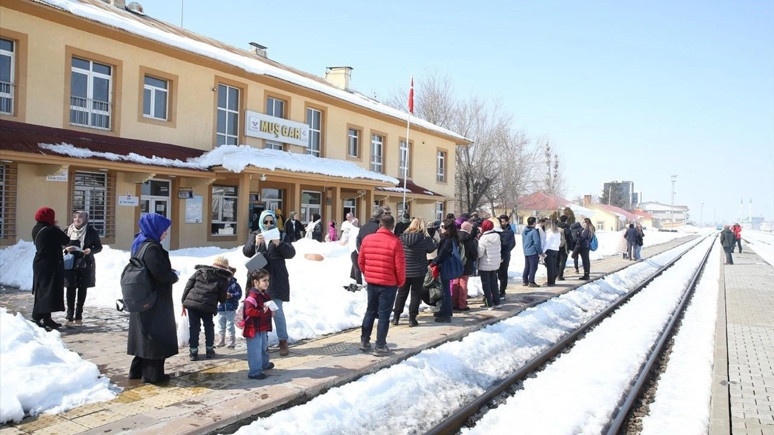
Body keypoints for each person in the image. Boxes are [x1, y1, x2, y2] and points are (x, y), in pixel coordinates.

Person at [127, 213, 179, 384]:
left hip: (143, 297)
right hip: (154, 300)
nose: (165, 233)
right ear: (155, 229)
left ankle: (137, 371)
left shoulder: (140, 243)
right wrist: (173, 276)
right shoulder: (152, 248)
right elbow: (160, 274)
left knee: (143, 335)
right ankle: (152, 375)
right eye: (163, 230)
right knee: (154, 337)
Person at [242, 210, 296, 356]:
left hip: (276, 278)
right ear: (261, 222)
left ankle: (283, 341)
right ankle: (262, 342)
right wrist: (255, 243)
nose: (268, 225)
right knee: (259, 310)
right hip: (258, 279)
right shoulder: (255, 234)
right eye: (265, 222)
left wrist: (279, 244)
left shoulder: (281, 234)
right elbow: (246, 252)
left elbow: (291, 253)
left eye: (271, 222)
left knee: (276, 310)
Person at [358, 214, 405, 355]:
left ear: (379, 224)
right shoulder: (395, 242)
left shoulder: (367, 239)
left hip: (372, 281)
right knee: (384, 315)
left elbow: (361, 261)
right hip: (388, 283)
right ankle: (380, 346)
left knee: (370, 311)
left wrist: (368, 273)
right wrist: (400, 281)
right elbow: (400, 266)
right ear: (392, 226)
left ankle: (364, 341)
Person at [181, 256, 231, 360]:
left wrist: (183, 301)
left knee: (194, 327)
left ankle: (193, 352)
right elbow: (222, 298)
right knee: (208, 327)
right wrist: (224, 298)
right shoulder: (223, 279)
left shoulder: (199, 272)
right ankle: (209, 350)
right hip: (208, 306)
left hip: (192, 304)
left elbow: (188, 286)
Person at [393, 218, 436, 326]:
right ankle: (412, 319)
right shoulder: (424, 239)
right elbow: (431, 249)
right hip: (418, 271)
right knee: (416, 295)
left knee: (401, 294)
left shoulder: (401, 238)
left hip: (404, 270)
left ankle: (396, 317)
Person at [31, 207, 69, 330]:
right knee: (47, 291)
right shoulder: (50, 229)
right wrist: (56, 227)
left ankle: (46, 318)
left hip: (40, 263)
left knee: (42, 289)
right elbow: (65, 239)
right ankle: (37, 316)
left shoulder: (36, 228)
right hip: (50, 264)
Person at [63, 210, 102, 326]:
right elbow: (61, 245)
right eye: (75, 217)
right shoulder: (67, 231)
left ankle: (79, 314)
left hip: (85, 262)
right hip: (70, 263)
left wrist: (90, 250)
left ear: (85, 219)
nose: (78, 219)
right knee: (70, 288)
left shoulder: (91, 231)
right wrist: (66, 250)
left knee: (82, 288)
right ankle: (69, 315)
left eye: (81, 217)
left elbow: (99, 247)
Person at [243, 268, 275, 380]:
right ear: (256, 282)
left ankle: (264, 364)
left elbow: (266, 307)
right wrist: (263, 313)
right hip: (253, 328)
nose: (267, 283)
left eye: (268, 280)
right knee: (255, 350)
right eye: (264, 280)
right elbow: (248, 311)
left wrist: (270, 311)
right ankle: (255, 371)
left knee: (263, 347)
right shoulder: (252, 297)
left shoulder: (263, 295)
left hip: (261, 327)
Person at [430, 219, 460, 322]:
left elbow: (442, 254)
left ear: (448, 229)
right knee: (444, 289)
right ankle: (445, 310)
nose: (441, 228)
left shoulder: (448, 240)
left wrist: (434, 262)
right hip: (446, 266)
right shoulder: (452, 238)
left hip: (446, 266)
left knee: (445, 290)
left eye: (443, 227)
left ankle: (446, 314)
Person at [453, 221, 478, 311]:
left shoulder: (455, 236)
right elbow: (474, 253)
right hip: (466, 264)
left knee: (456, 283)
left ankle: (454, 302)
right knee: (463, 284)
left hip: (455, 263)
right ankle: (462, 304)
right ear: (468, 229)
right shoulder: (469, 238)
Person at [477, 218, 502, 308]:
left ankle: (488, 303)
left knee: (486, 284)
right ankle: (497, 301)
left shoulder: (483, 238)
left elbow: (479, 253)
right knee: (494, 283)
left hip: (485, 264)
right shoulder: (497, 236)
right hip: (495, 263)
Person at [216, 270, 242, 349]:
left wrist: (231, 295)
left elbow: (239, 294)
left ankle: (231, 342)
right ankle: (221, 340)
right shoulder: (219, 283)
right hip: (221, 308)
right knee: (221, 324)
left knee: (230, 325)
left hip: (231, 308)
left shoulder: (235, 285)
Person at [497, 214, 515, 298]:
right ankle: (495, 291)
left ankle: (502, 291)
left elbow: (512, 243)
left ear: (507, 222)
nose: (502, 223)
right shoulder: (496, 230)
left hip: (505, 255)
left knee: (503, 274)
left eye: (503, 221)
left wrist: (504, 254)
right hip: (496, 254)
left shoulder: (509, 231)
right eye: (500, 221)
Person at [521, 216, 542, 288]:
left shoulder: (525, 231)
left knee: (527, 266)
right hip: (533, 251)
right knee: (533, 267)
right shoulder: (534, 232)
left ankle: (525, 280)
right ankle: (531, 281)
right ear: (534, 223)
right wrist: (540, 252)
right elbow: (537, 242)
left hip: (526, 250)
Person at [542, 220, 561, 286]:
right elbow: (559, 241)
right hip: (556, 250)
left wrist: (543, 252)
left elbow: (547, 243)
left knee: (549, 267)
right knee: (553, 266)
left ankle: (550, 282)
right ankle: (553, 280)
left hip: (549, 250)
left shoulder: (549, 233)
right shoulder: (557, 232)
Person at [556, 215, 573, 280]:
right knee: (563, 261)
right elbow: (570, 239)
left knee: (557, 261)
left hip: (556, 247)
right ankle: (560, 276)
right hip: (564, 247)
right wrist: (571, 248)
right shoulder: (567, 229)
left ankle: (556, 274)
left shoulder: (555, 227)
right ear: (566, 220)